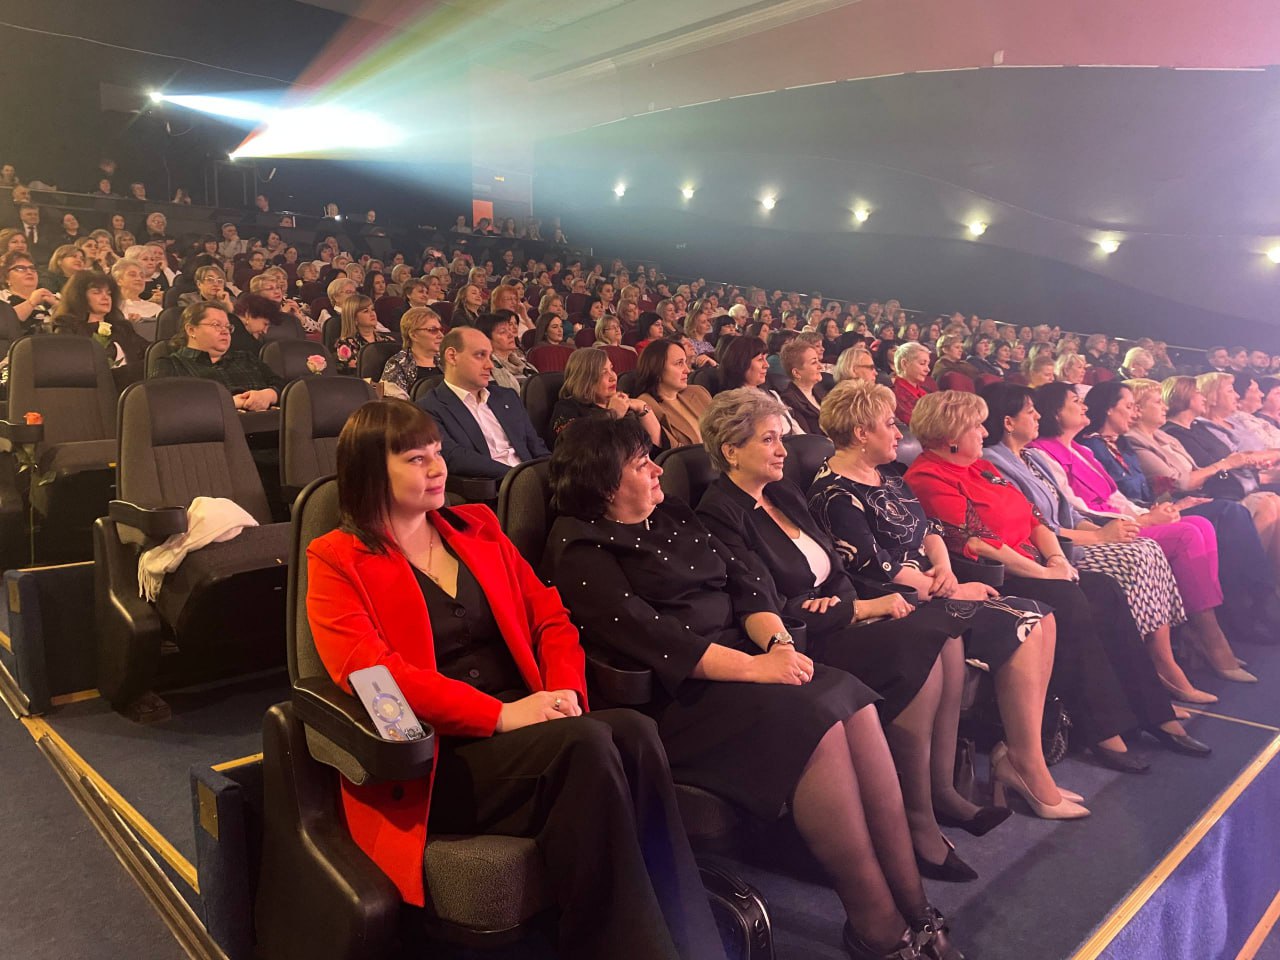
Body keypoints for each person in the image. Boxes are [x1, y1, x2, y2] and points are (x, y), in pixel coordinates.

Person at [305, 400, 725, 960]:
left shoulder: (476, 528)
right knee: (587, 743)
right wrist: (501, 715)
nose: (437, 468)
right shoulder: (336, 559)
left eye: (437, 453)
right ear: (369, 471)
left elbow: (550, 617)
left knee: (633, 731)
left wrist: (565, 691)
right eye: (415, 459)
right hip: (438, 755)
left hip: (531, 725)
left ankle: (690, 941)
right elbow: (374, 677)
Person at [547, 416, 965, 960]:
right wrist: (756, 669)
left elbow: (748, 587)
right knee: (816, 719)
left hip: (748, 657)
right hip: (679, 696)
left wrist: (778, 647)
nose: (658, 470)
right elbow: (658, 641)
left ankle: (915, 904)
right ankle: (877, 925)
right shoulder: (580, 548)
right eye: (642, 463)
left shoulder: (670, 512)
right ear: (605, 483)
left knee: (851, 700)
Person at [698, 389, 1046, 883]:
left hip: (844, 611)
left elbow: (834, 567)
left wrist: (848, 602)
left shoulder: (781, 492)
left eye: (781, 438)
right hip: (809, 637)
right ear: (731, 450)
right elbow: (764, 603)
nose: (782, 450)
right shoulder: (720, 512)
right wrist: (854, 609)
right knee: (920, 638)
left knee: (944, 633)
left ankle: (941, 792)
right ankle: (918, 821)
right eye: (769, 440)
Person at [807, 380, 1084, 819]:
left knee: (1042, 617)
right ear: (861, 433)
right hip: (897, 602)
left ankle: (1022, 759)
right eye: (889, 424)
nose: (899, 433)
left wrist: (945, 567)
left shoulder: (886, 476)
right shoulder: (835, 493)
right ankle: (1024, 766)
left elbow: (930, 530)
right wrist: (952, 587)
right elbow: (876, 569)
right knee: (1028, 621)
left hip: (934, 585)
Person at [904, 391, 1202, 773]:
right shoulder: (926, 477)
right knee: (1068, 598)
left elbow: (1035, 519)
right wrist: (1046, 572)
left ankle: (1154, 712)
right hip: (995, 576)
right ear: (951, 435)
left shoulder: (982, 467)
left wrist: (1057, 558)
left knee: (1104, 589)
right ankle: (1103, 730)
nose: (984, 432)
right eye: (976, 425)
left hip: (1036, 564)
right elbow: (979, 543)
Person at [979, 381, 1215, 708]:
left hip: (1073, 537)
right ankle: (1147, 670)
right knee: (1135, 558)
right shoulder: (995, 462)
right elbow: (1038, 525)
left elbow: (1071, 511)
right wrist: (1102, 535)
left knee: (1145, 549)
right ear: (1008, 422)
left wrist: (1111, 529)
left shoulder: (1032, 456)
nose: (1037, 417)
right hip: (1055, 550)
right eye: (1030, 412)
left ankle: (1160, 662)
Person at [1027, 381, 1255, 683]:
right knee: (1187, 534)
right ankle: (1207, 636)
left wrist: (1147, 513)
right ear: (1056, 412)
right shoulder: (1043, 452)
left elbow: (1115, 495)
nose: (1084, 406)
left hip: (1122, 517)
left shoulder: (1081, 450)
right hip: (1100, 526)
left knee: (1200, 525)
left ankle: (1201, 628)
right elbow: (1073, 507)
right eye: (1075, 402)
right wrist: (1144, 520)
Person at [1084, 379, 1280, 649]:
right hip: (1142, 513)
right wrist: (1167, 505)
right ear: (1111, 408)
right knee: (1229, 513)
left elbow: (1165, 483)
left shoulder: (1134, 444)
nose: (1161, 408)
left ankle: (1258, 599)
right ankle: (1247, 606)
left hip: (1166, 504)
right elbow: (1172, 484)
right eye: (1133, 406)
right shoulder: (1116, 444)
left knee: (1250, 507)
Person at [417, 327, 549, 479]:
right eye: (480, 355)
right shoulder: (428, 409)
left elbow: (536, 446)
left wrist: (554, 472)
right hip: (493, 486)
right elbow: (455, 458)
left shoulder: (507, 396)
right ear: (452, 356)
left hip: (534, 480)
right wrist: (520, 478)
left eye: (490, 357)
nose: (490, 365)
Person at [157, 302, 284, 411]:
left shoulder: (246, 358)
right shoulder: (170, 365)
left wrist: (269, 395)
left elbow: (284, 386)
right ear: (191, 330)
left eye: (228, 327)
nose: (225, 331)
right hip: (212, 429)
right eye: (216, 325)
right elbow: (166, 405)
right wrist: (228, 403)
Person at [50, 270, 148, 385]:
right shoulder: (67, 326)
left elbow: (148, 351)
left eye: (109, 293)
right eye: (97, 292)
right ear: (80, 297)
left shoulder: (121, 327)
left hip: (131, 387)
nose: (105, 297)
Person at [549, 347, 661, 447]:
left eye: (611, 369)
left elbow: (656, 450)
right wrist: (613, 414)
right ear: (584, 379)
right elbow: (570, 448)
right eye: (603, 372)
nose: (613, 377)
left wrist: (642, 407)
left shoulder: (624, 404)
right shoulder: (568, 407)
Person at [633, 339, 712, 447]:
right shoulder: (647, 406)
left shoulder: (698, 392)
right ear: (657, 369)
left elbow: (724, 429)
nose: (687, 370)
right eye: (679, 363)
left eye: (685, 362)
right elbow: (673, 451)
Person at [719, 336, 805, 435]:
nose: (767, 365)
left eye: (766, 358)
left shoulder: (772, 394)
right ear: (741, 363)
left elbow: (795, 428)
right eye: (760, 359)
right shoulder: (732, 405)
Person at [379, 306, 445, 400]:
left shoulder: (447, 361)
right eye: (432, 330)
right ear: (414, 335)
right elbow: (395, 406)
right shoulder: (397, 365)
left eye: (441, 330)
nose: (441, 335)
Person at [333, 294, 395, 373]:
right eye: (366, 311)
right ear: (354, 318)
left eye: (373, 309)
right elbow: (348, 375)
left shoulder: (388, 341)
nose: (372, 314)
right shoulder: (345, 345)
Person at [778, 338, 829, 434]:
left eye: (818, 361)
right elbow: (807, 438)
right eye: (814, 362)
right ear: (796, 373)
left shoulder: (819, 389)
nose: (821, 366)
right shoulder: (789, 401)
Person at [478, 312, 537, 391]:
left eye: (509, 330)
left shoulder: (524, 364)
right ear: (487, 339)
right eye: (503, 332)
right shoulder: (487, 370)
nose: (511, 335)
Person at [1, 250, 57, 334]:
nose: (29, 272)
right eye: (20, 268)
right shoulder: (1, 298)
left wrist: (57, 306)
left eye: (32, 268)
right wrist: (31, 303)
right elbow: (3, 324)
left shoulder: (54, 297)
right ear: (6, 277)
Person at [110, 257, 163, 342]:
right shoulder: (112, 307)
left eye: (142, 276)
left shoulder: (155, 308)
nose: (139, 278)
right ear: (119, 280)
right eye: (132, 275)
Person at [892, 343, 936, 425]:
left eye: (928, 364)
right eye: (922, 363)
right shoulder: (894, 396)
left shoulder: (925, 392)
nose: (928, 369)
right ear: (904, 364)